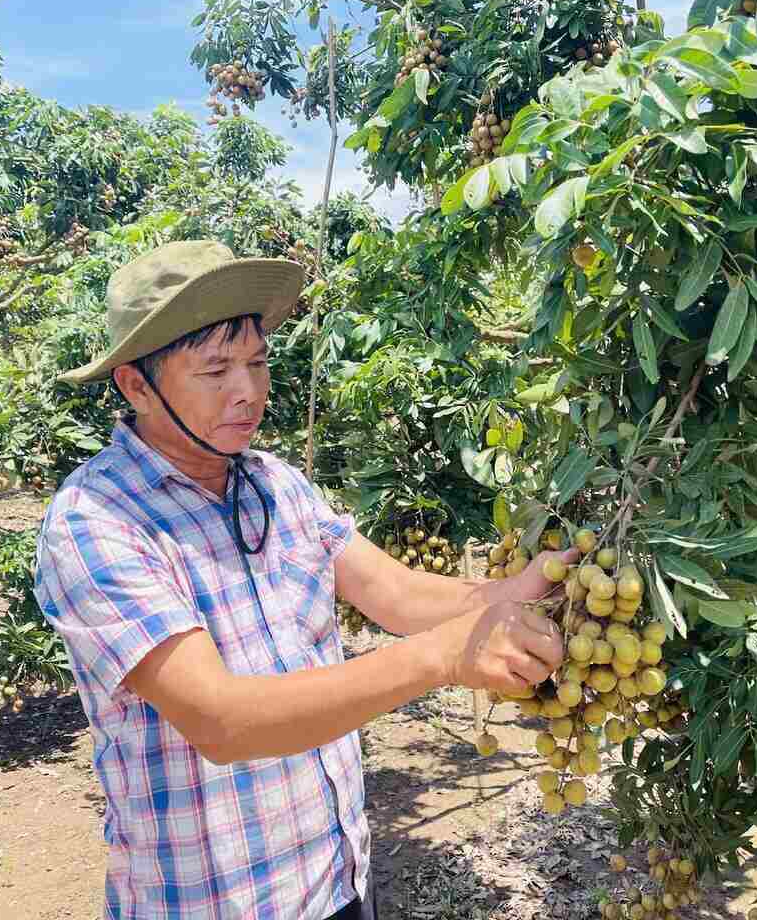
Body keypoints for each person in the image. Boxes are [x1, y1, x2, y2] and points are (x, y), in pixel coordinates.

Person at [35, 240, 570, 920]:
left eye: (257, 363)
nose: (248, 391)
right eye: (215, 369)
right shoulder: (96, 524)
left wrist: (529, 584)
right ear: (136, 385)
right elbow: (220, 721)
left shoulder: (275, 485)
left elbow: (400, 595)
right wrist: (443, 658)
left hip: (335, 879)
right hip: (212, 904)